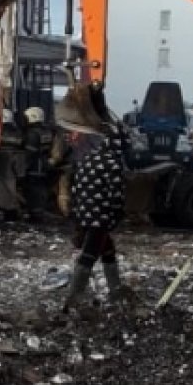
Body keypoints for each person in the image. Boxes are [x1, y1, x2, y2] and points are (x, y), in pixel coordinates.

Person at [58, 85, 131, 312]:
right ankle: (73, 300)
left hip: (85, 213)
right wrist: (117, 213)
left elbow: (77, 189)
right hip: (101, 217)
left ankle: (116, 290)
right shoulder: (112, 163)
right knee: (89, 254)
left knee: (107, 249)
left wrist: (76, 212)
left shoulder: (86, 161)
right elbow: (115, 193)